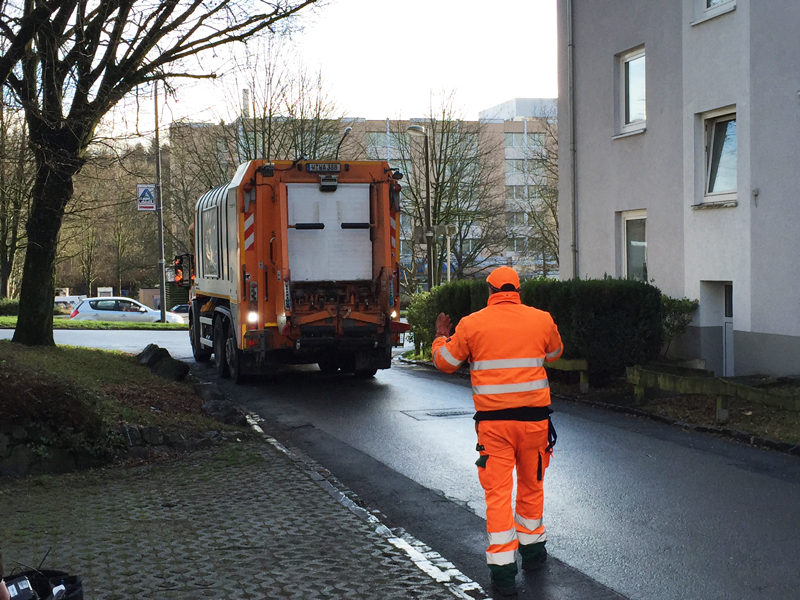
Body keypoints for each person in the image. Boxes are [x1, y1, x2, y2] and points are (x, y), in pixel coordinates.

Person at [431, 266, 562, 597]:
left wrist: (439, 337)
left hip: (494, 427)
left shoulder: (472, 324)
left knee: (498, 495)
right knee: (532, 486)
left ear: (490, 292)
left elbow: (445, 362)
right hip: (534, 424)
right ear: (518, 290)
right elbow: (555, 353)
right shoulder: (541, 319)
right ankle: (533, 555)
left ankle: (503, 574)